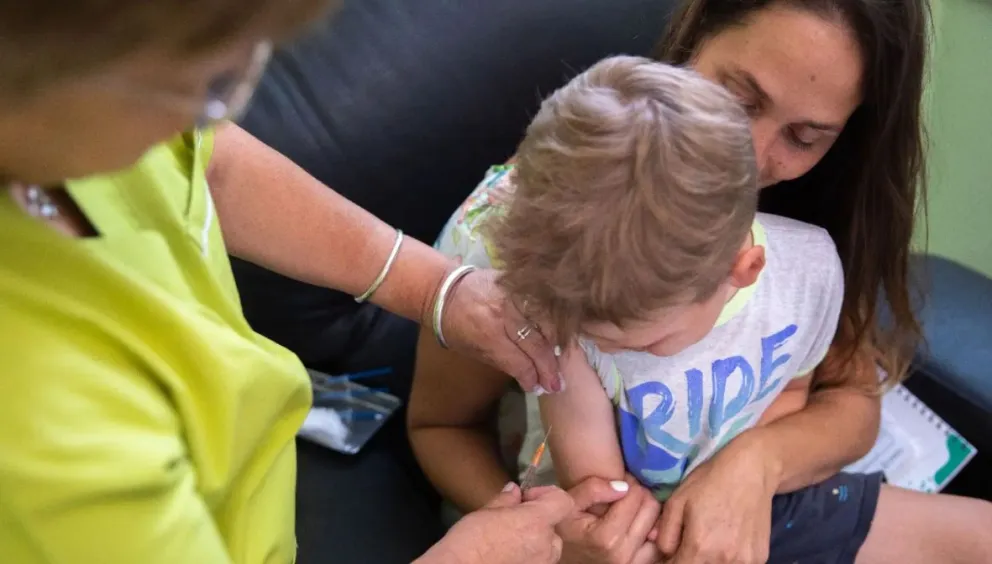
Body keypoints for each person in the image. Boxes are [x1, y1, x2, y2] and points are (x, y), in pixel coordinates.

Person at [409, 0, 992, 562]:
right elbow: (441, 425)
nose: (752, 160)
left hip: (759, 500)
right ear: (695, 35)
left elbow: (847, 402)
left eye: (805, 138)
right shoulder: (508, 238)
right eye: (739, 97)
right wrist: (549, 534)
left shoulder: (807, 243)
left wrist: (754, 465)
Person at [0, 1, 573, 563]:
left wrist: (432, 288)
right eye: (209, 84)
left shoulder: (95, 119)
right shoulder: (41, 428)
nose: (221, 111)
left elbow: (208, 164)